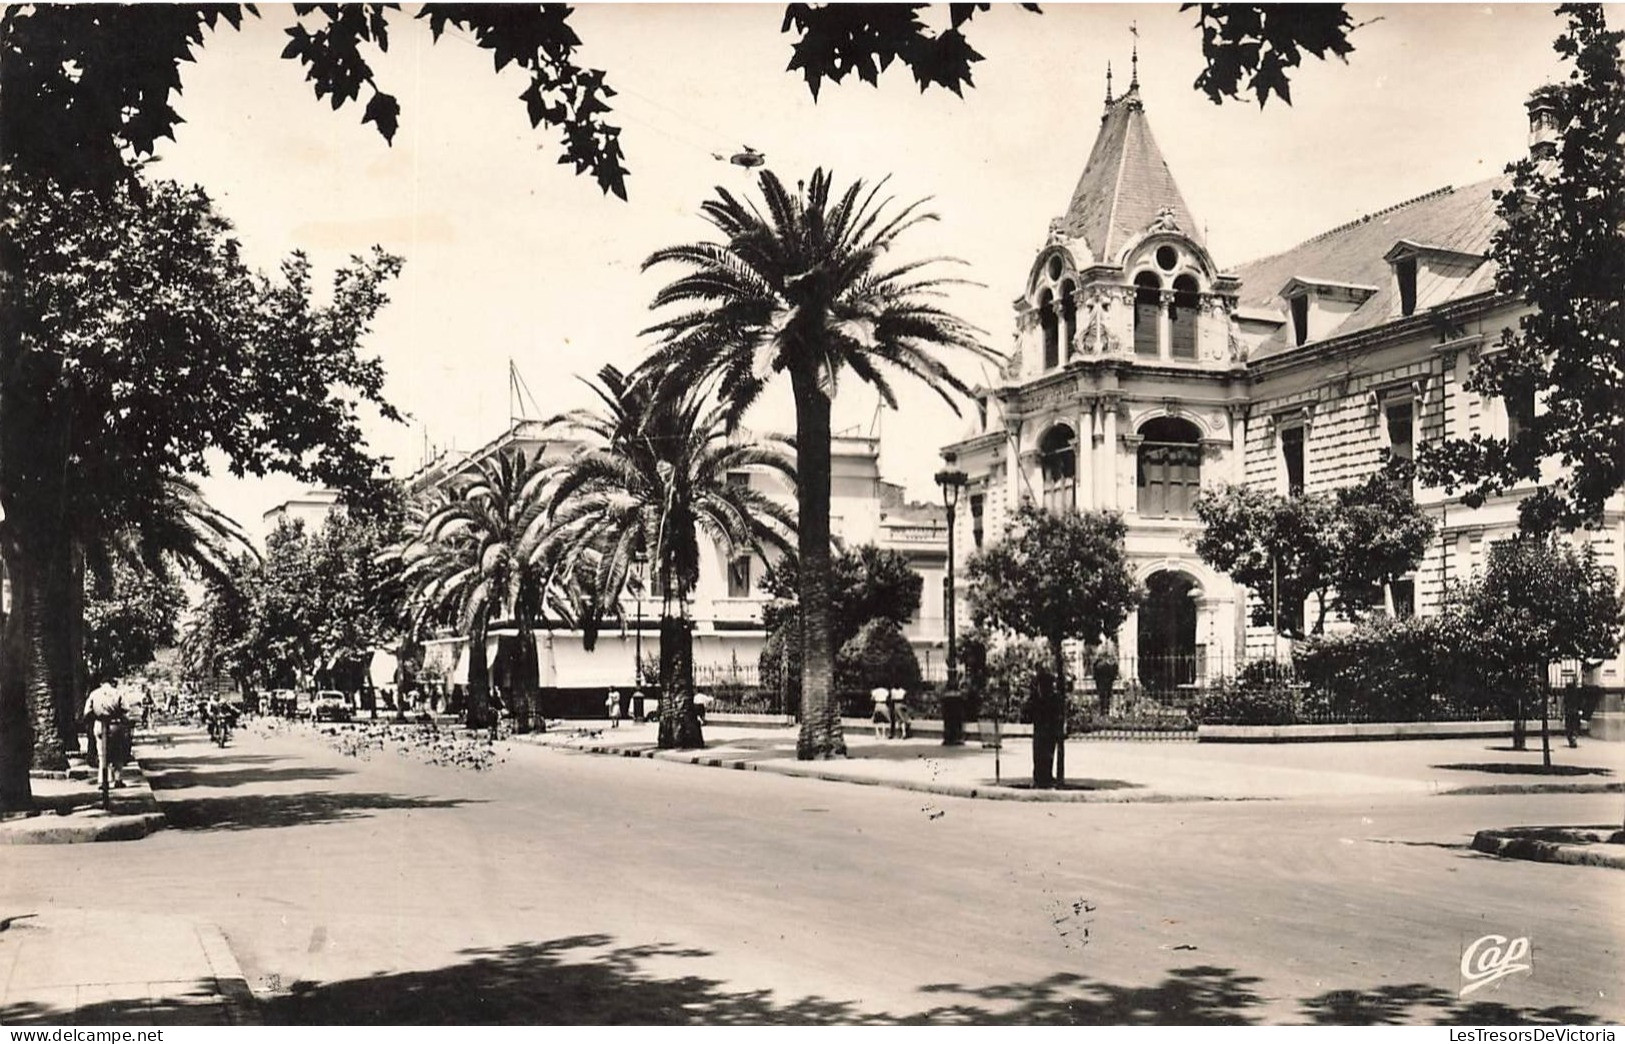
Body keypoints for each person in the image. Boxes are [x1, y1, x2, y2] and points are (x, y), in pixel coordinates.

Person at [83, 681, 129, 792]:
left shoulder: (94, 694)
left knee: (101, 754)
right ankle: (118, 779)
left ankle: (104, 780)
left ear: (101, 683)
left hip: (99, 725)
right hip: (115, 725)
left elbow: (87, 712)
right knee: (118, 753)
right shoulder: (117, 692)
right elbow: (126, 708)